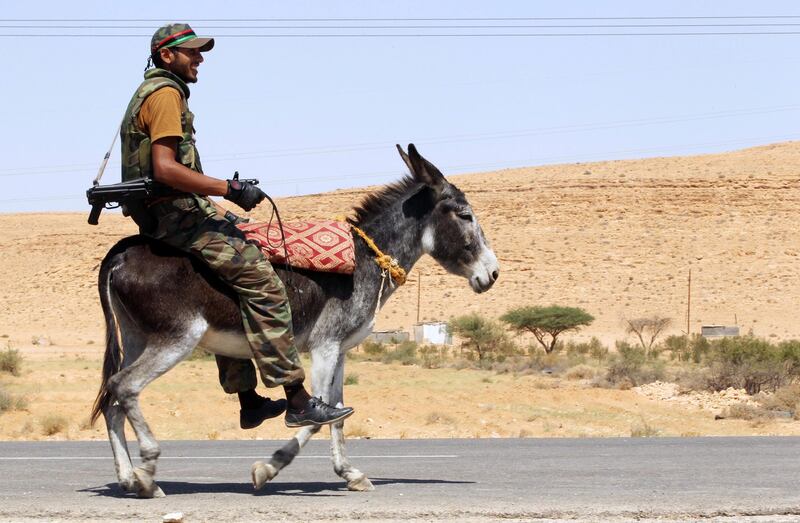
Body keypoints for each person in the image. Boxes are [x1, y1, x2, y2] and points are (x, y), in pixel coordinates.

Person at [119, 23, 353, 429]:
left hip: (176, 212)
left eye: (200, 51)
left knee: (230, 279)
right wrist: (228, 188)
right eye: (191, 52)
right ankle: (297, 399)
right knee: (264, 284)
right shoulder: (165, 95)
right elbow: (165, 168)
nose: (199, 58)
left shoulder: (158, 93)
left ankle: (248, 399)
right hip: (179, 219)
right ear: (166, 56)